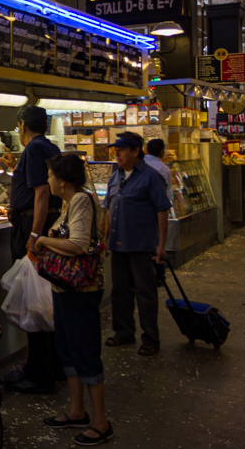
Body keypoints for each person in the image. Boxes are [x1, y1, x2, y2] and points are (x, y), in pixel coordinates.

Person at [35, 155, 112, 446]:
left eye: (51, 175)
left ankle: (101, 422)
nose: (48, 181)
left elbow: (78, 244)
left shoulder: (80, 201)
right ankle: (77, 411)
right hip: (64, 289)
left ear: (63, 179)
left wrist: (42, 240)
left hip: (82, 290)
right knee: (67, 349)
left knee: (85, 352)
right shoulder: (70, 202)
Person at [3, 105, 65, 394]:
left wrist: (34, 235)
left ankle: (40, 375)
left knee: (35, 305)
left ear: (22, 126)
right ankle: (51, 366)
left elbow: (41, 194)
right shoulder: (48, 146)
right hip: (37, 225)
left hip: (32, 228)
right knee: (45, 302)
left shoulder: (34, 149)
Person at [103, 132, 171, 357]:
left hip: (142, 245)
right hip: (118, 243)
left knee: (145, 293)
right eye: (116, 151)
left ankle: (150, 339)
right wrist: (105, 239)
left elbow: (162, 210)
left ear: (135, 151)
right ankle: (123, 332)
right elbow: (108, 208)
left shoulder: (151, 177)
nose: (117, 155)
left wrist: (161, 245)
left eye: (121, 151)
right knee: (120, 292)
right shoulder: (116, 176)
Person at [143, 139, 174, 210]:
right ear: (162, 152)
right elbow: (168, 193)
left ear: (146, 150)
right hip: (156, 208)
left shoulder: (138, 163)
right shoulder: (164, 169)